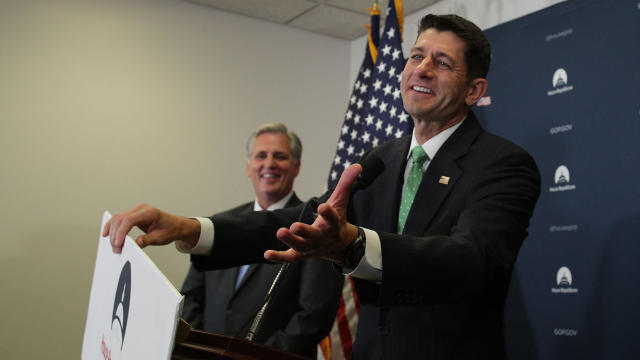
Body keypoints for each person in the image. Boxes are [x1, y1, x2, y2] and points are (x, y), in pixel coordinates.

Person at [105, 14, 541, 359]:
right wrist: (191, 228)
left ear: (473, 90)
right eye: (416, 56)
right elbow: (298, 222)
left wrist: (354, 245)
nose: (421, 69)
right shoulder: (382, 159)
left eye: (442, 63)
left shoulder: (503, 164)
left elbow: (473, 259)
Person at [179, 123, 342, 359]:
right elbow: (191, 298)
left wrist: (252, 356)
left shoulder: (313, 228)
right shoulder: (219, 225)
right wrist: (198, 347)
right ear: (248, 167)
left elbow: (313, 316)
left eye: (280, 156)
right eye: (260, 156)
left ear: (296, 167)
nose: (269, 164)